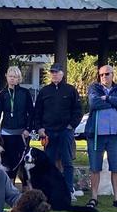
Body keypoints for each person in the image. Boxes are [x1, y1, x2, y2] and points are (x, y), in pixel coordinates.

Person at [31, 63, 83, 197]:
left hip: (65, 132)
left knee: (67, 162)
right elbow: (37, 112)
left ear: (62, 74)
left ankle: (69, 191)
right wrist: (39, 128)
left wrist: (71, 126)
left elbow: (78, 111)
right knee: (47, 163)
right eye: (52, 72)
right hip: (48, 132)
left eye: (57, 72)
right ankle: (48, 192)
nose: (54, 74)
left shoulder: (70, 90)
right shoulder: (44, 91)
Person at [85, 64, 117, 209]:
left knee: (116, 167)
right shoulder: (94, 88)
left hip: (115, 135)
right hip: (96, 134)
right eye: (102, 74)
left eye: (107, 74)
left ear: (113, 74)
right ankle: (94, 197)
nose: (104, 77)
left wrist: (107, 98)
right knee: (95, 167)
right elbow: (93, 103)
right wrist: (112, 102)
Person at [0, 66, 33, 183]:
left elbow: (31, 113)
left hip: (22, 133)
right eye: (10, 76)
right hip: (6, 133)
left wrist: (28, 129)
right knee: (8, 160)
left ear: (19, 78)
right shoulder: (2, 94)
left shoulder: (25, 93)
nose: (12, 79)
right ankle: (10, 186)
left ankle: (25, 187)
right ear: (6, 77)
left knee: (22, 160)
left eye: (15, 77)